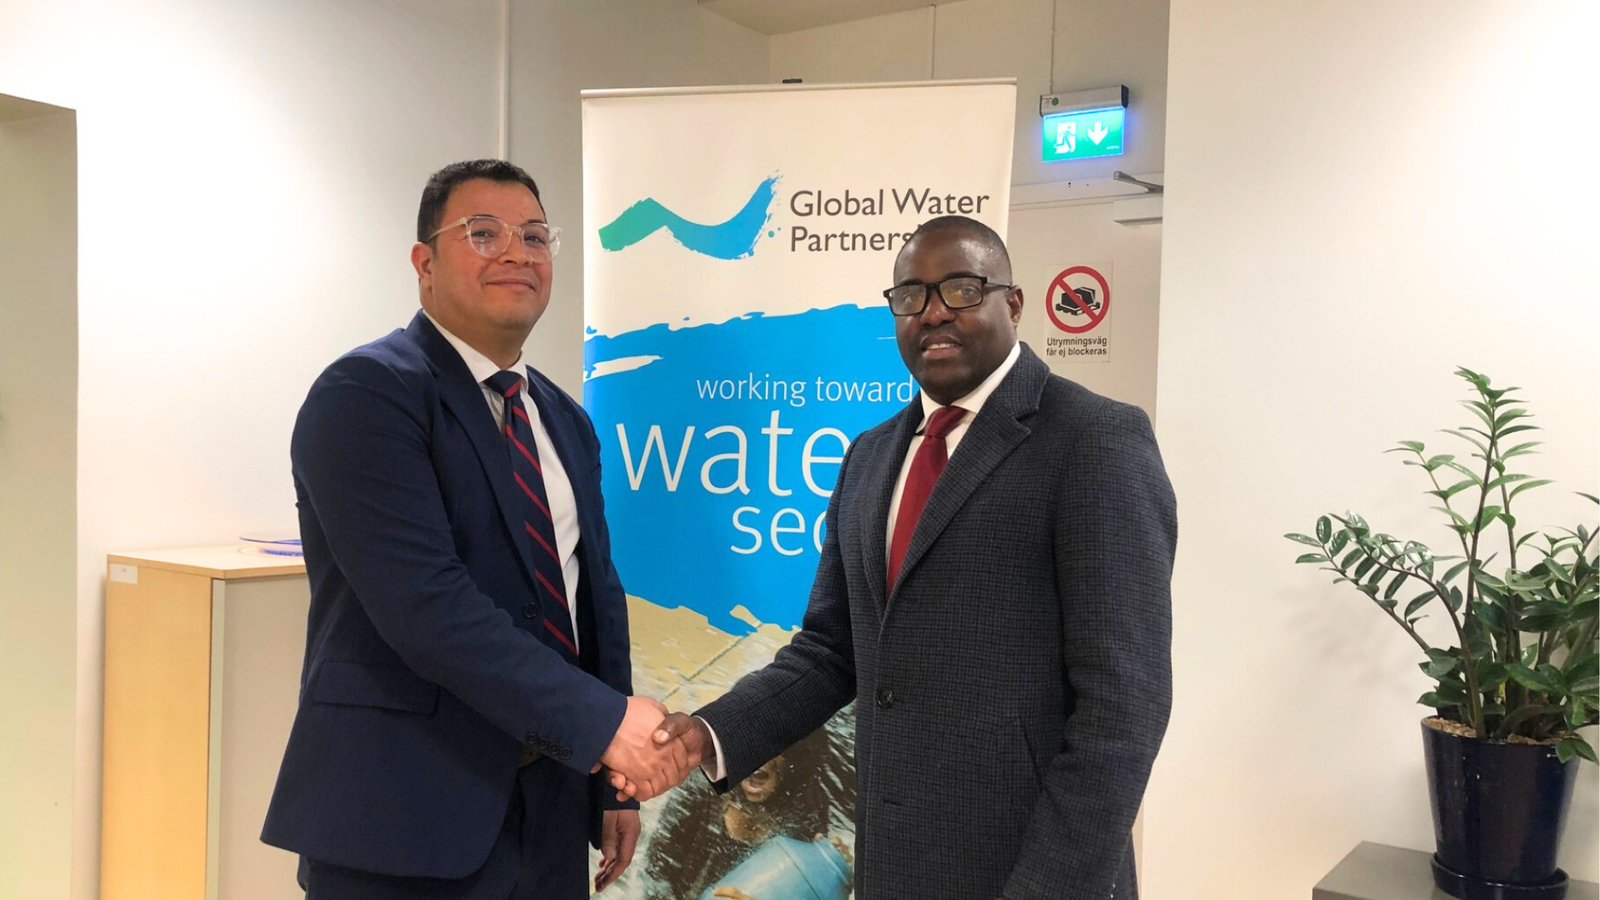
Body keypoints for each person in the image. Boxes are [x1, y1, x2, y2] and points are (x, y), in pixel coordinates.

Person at [634, 215, 1177, 900]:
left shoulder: (1094, 440)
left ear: (1013, 304)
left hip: (1025, 872)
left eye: (962, 289)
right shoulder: (870, 456)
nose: (934, 312)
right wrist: (707, 734)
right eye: (911, 296)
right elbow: (830, 651)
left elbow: (1124, 708)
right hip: (894, 869)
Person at [262, 159, 687, 899]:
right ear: (424, 263)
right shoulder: (367, 394)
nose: (517, 253)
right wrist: (605, 725)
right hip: (404, 813)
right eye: (483, 233)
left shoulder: (564, 418)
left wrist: (610, 784)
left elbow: (593, 599)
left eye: (535, 236)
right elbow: (428, 607)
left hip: (549, 808)